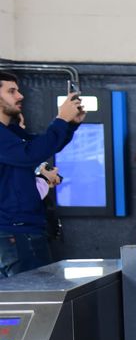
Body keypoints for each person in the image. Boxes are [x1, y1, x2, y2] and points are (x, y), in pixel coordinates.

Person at [0, 71, 84, 276]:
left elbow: (41, 145)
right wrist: (61, 119)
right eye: (12, 91)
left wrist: (70, 124)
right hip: (14, 232)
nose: (20, 96)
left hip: (24, 229)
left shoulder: (10, 132)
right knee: (29, 301)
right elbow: (30, 154)